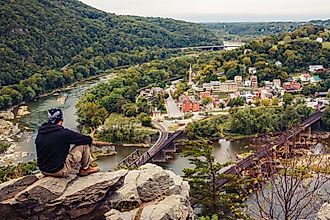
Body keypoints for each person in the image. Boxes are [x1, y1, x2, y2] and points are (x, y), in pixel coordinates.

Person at [35, 108, 100, 177]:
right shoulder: (64, 133)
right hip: (59, 171)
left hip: (43, 171)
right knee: (84, 145)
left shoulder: (41, 133)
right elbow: (87, 140)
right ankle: (85, 169)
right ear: (61, 120)